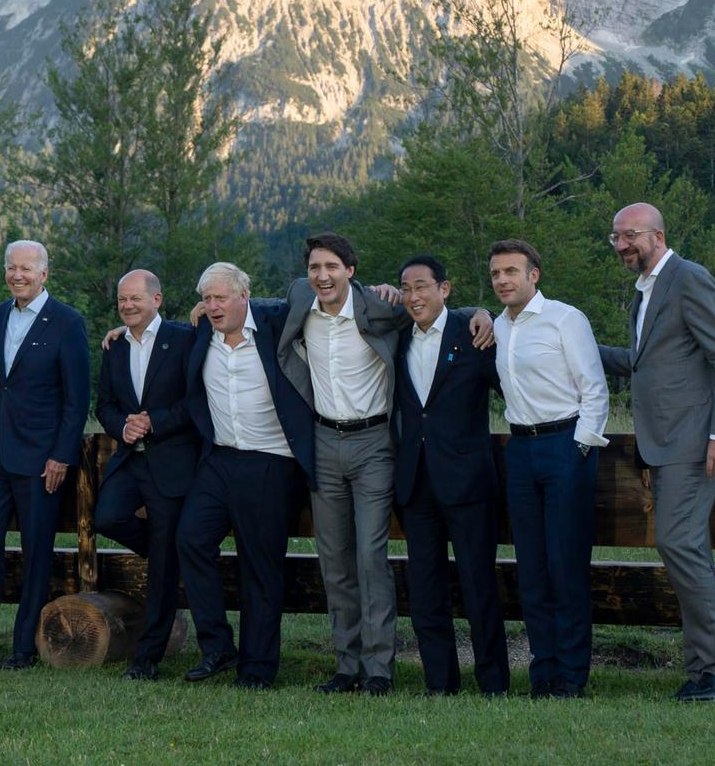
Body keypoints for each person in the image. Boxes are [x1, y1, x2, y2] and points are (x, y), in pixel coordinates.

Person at [274, 232, 493, 695]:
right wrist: (199, 312)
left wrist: (482, 312)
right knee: (334, 560)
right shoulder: (300, 298)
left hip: (375, 443)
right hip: (322, 440)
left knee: (371, 558)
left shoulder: (381, 308)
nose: (322, 275)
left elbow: (430, 312)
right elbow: (255, 309)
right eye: (315, 267)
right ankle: (346, 666)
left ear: (351, 272)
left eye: (332, 266)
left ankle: (378, 669)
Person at [597, 203, 715, 703]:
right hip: (662, 446)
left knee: (680, 547)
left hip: (692, 444)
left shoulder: (688, 278)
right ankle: (704, 671)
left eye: (630, 236)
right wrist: (571, 339)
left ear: (658, 236)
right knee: (683, 549)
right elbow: (642, 364)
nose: (622, 245)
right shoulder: (645, 293)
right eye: (615, 238)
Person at [174, 262, 316, 691]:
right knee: (191, 540)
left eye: (221, 297)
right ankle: (217, 646)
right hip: (219, 459)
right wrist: (119, 335)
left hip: (272, 462)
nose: (212, 306)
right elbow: (152, 338)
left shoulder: (274, 322)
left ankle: (257, 668)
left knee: (261, 568)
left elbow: (312, 291)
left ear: (243, 296)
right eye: (207, 298)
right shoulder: (201, 332)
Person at [0, 241, 89, 670]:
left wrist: (61, 456)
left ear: (44, 274)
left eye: (27, 269)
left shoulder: (67, 322)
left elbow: (76, 399)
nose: (18, 275)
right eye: (12, 268)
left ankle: (24, 647)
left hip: (42, 461)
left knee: (36, 554)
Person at [489, 238, 609, 699]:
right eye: (496, 273)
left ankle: (572, 674)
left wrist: (578, 449)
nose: (503, 280)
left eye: (511, 272)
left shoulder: (565, 318)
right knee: (532, 568)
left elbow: (594, 390)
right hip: (519, 451)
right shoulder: (496, 326)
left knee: (566, 565)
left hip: (565, 447)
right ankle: (544, 669)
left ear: (533, 275)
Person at [391, 255, 507, 697]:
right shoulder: (397, 335)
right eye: (406, 288)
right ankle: (439, 681)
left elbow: (513, 377)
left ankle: (493, 682)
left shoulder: (474, 334)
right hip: (415, 483)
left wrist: (486, 313)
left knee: (479, 586)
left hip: (468, 482)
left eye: (422, 286)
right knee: (425, 588)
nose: (413, 296)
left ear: (445, 288)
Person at [92, 269, 198, 681]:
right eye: (122, 299)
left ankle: (148, 657)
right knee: (107, 517)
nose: (128, 305)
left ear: (157, 299)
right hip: (131, 460)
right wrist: (123, 426)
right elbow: (104, 405)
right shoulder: (115, 346)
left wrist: (154, 421)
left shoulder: (183, 339)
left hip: (171, 462)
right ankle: (166, 556)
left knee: (160, 573)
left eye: (136, 298)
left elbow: (196, 401)